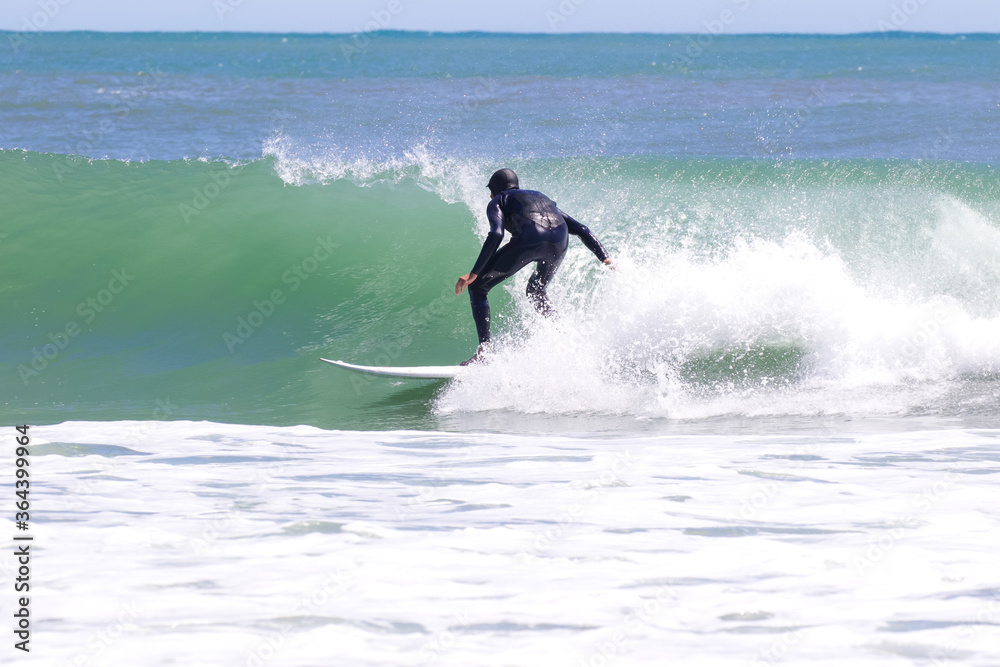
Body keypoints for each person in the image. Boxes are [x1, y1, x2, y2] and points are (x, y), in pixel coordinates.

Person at [455, 168, 614, 365]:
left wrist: (474, 272)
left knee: (478, 286)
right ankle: (563, 336)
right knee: (535, 291)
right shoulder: (542, 198)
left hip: (530, 240)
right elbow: (581, 229)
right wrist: (605, 258)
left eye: (491, 190)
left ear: (496, 189)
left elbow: (496, 234)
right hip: (559, 242)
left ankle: (484, 352)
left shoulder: (498, 200)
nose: (489, 195)